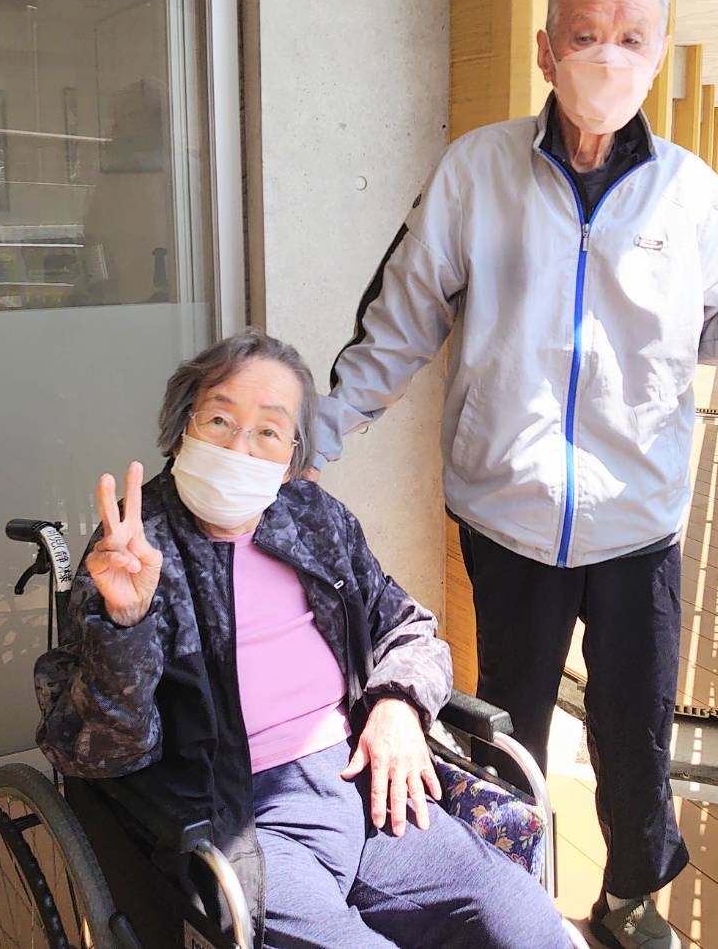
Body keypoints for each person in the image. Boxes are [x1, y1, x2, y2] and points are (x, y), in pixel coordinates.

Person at [309, 0, 718, 949]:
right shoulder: (475, 171)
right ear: (545, 51)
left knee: (636, 732)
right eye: (584, 35)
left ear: (656, 58)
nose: (607, 55)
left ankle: (630, 896)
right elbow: (400, 318)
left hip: (637, 519)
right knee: (505, 728)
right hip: (508, 512)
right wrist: (315, 431)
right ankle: (509, 901)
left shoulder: (689, 191)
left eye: (630, 38)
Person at [34, 330, 575, 948]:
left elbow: (408, 626)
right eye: (219, 419)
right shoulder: (136, 547)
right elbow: (96, 751)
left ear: (292, 457)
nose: (240, 445)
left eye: (268, 430)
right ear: (183, 425)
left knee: (522, 918)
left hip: (365, 785)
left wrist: (398, 705)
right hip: (241, 819)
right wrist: (124, 625)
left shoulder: (313, 518)